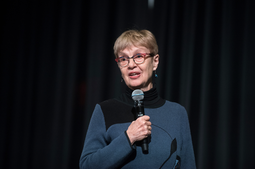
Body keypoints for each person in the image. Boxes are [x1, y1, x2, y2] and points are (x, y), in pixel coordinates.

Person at [79, 29, 196, 169]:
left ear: (155, 62)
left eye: (139, 56)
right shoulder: (105, 110)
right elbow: (87, 165)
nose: (131, 64)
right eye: (123, 59)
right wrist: (128, 137)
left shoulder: (177, 113)